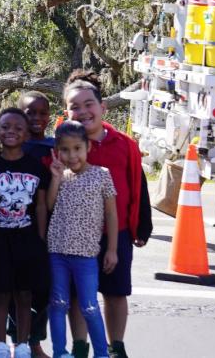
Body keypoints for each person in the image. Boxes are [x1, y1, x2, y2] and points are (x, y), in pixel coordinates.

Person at [62, 75, 150, 358]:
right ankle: (79, 346)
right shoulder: (63, 146)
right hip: (75, 236)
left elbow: (137, 183)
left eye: (89, 104)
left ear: (103, 108)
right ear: (67, 113)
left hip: (116, 234)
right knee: (77, 296)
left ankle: (117, 347)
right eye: (75, 107)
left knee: (115, 293)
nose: (83, 111)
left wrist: (142, 225)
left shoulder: (124, 144)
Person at [0, 109, 49, 358]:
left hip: (28, 240)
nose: (12, 132)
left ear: (27, 134)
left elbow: (41, 205)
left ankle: (22, 345)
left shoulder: (36, 167)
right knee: (2, 295)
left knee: (24, 295)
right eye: (6, 127)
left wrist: (40, 238)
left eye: (19, 128)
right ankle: (0, 345)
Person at [45, 121, 117, 358]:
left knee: (89, 306)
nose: (72, 155)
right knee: (58, 304)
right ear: (57, 150)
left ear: (88, 147)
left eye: (77, 148)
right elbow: (49, 205)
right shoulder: (60, 176)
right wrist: (55, 178)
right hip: (57, 252)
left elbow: (111, 214)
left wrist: (112, 250)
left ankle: (101, 353)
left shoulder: (101, 175)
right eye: (65, 149)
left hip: (86, 256)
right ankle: (59, 352)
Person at [16, 93, 55, 358]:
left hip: (48, 227)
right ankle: (15, 340)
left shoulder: (54, 147)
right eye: (31, 112)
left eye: (42, 113)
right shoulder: (11, 148)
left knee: (42, 289)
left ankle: (35, 341)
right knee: (16, 290)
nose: (37, 118)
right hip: (14, 226)